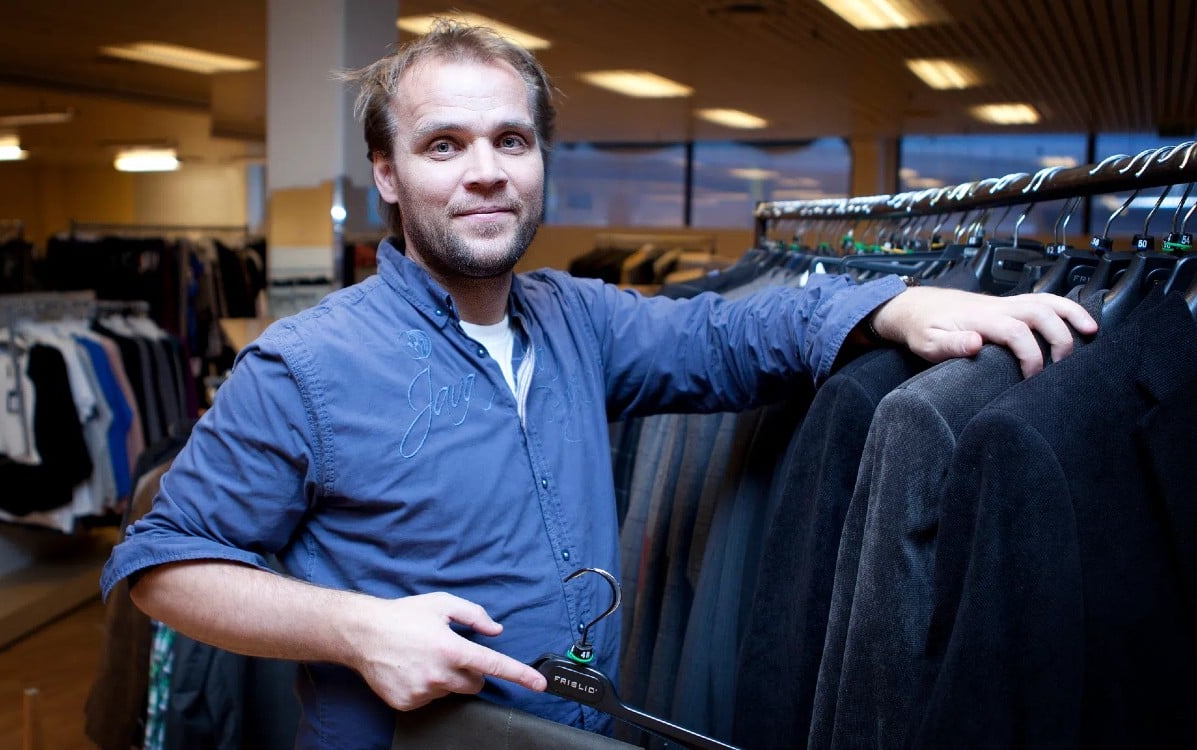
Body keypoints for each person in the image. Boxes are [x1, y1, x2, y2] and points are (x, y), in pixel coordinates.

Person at [101, 21, 1097, 749]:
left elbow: (726, 333)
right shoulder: (306, 364)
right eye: (443, 145)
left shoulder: (577, 318)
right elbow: (162, 566)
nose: (485, 171)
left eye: (511, 140)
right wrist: (354, 629)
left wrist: (894, 306)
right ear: (388, 176)